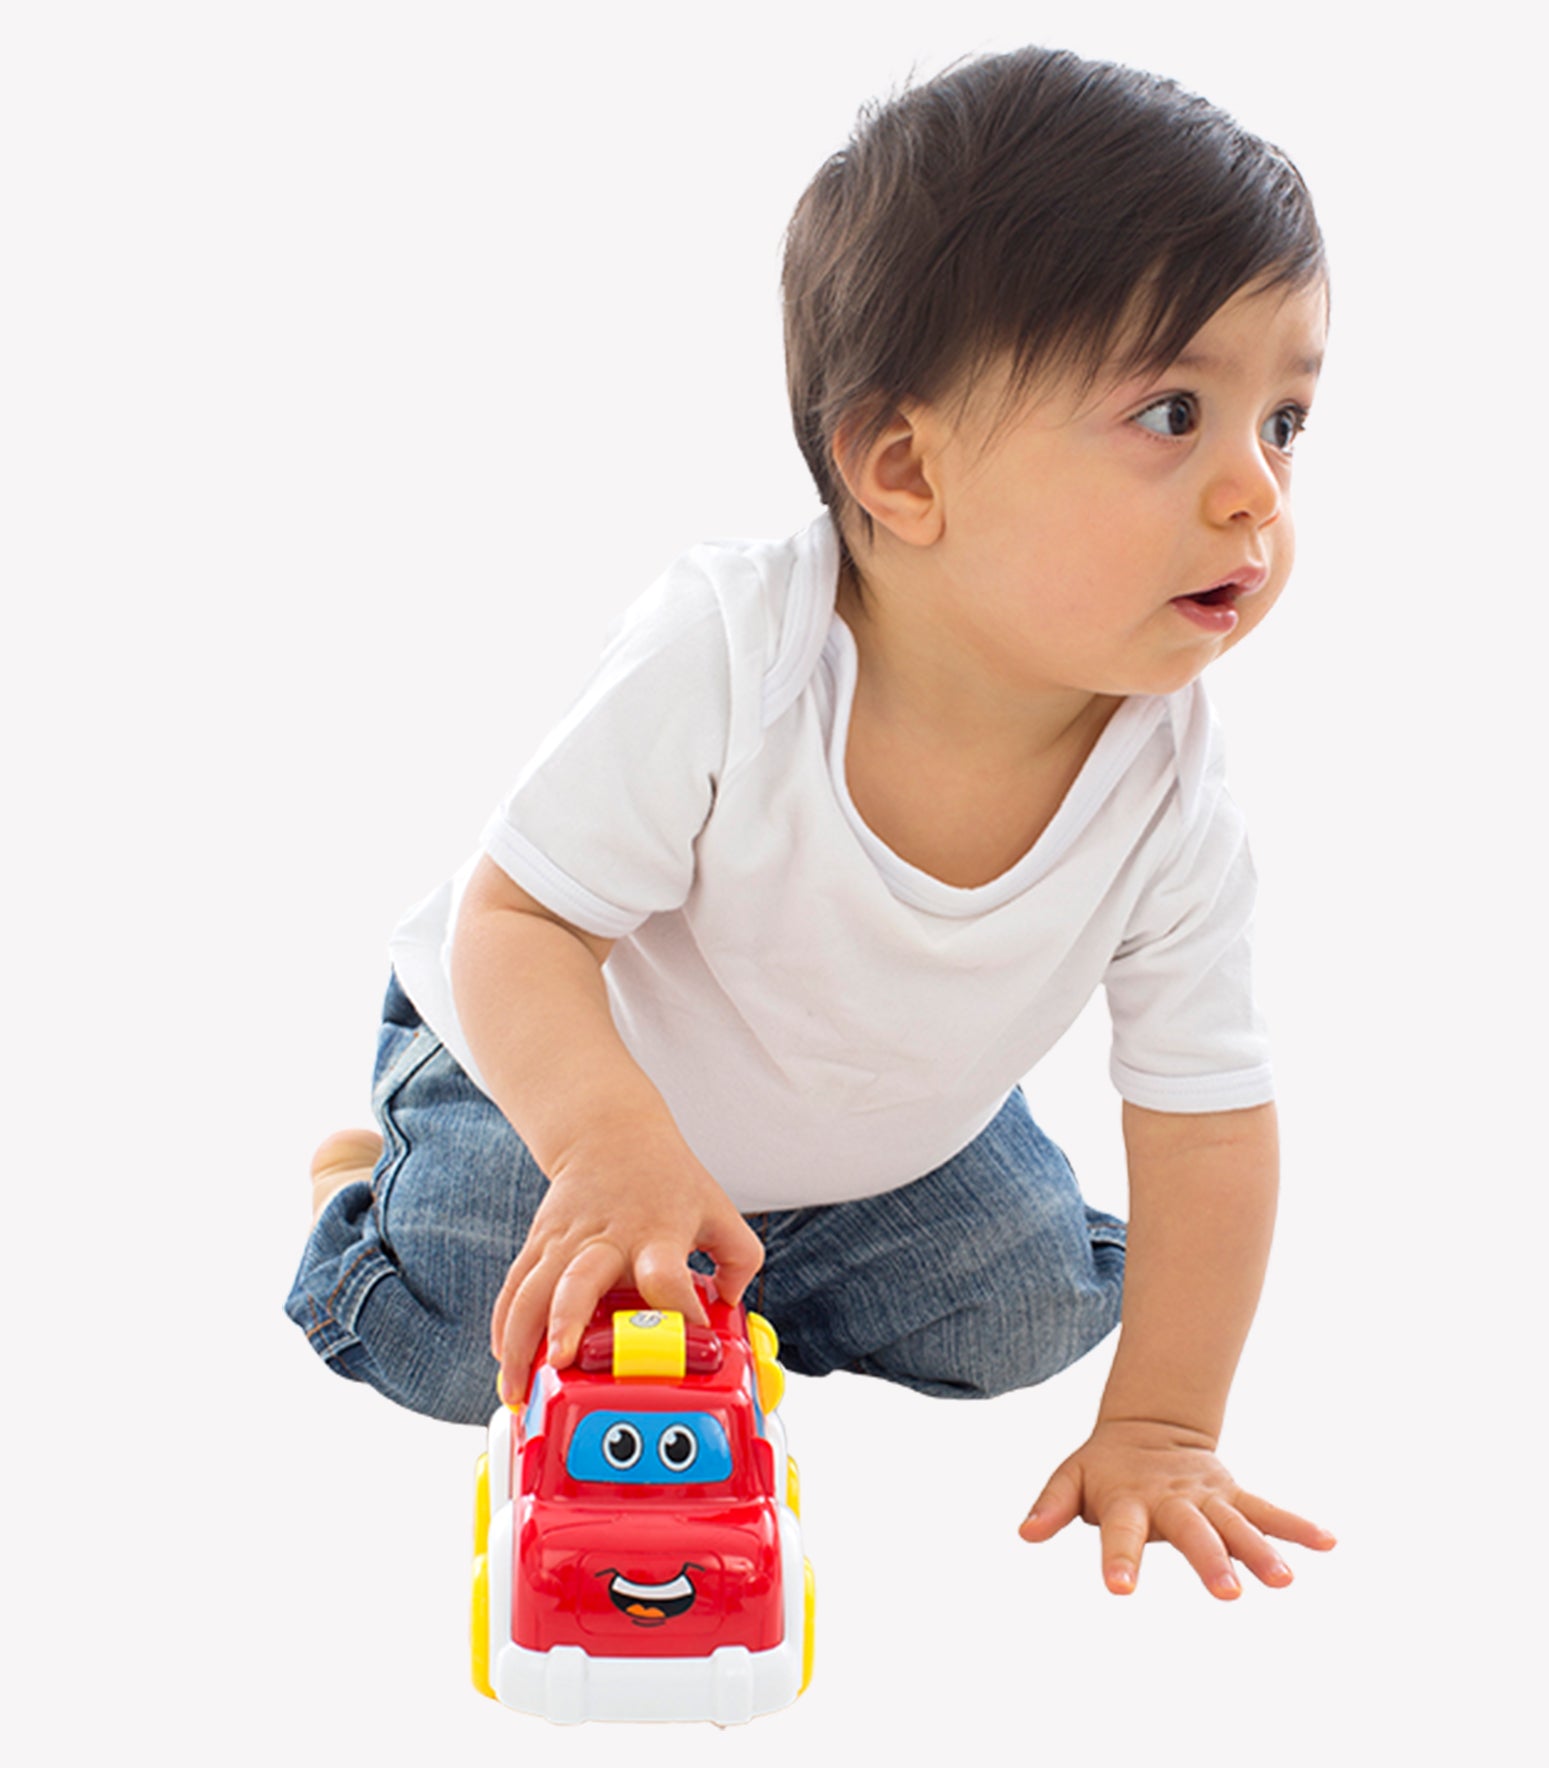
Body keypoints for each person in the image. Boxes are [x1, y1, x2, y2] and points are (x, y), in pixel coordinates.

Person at [287, 45, 1338, 1600]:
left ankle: (742, 1291)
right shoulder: (732, 656)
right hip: (566, 1086)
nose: (1257, 491)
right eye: (1174, 412)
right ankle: (362, 1179)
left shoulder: (1170, 786)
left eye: (1289, 422)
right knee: (459, 1348)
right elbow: (516, 920)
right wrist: (609, 1142)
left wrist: (1167, 1426)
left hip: (874, 1144)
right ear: (905, 470)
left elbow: (1206, 1123)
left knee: (1033, 1324)